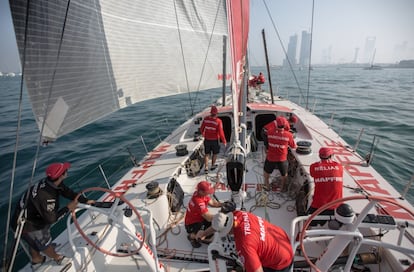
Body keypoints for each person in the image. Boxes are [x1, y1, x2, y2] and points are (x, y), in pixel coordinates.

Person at [11, 162, 95, 268]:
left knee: (34, 241)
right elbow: (52, 219)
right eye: (65, 170)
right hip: (27, 224)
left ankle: (36, 259)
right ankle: (57, 257)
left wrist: (85, 200)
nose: (67, 170)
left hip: (30, 216)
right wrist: (68, 208)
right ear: (61, 175)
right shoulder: (47, 197)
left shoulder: (50, 183)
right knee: (42, 242)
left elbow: (67, 192)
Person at [197, 210, 293, 272]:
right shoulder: (239, 214)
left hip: (280, 263)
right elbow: (220, 222)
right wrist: (204, 233)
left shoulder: (244, 245)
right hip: (284, 242)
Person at [308, 147, 343, 225]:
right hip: (336, 205)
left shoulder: (313, 166)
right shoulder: (339, 166)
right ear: (331, 156)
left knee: (308, 222)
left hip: (319, 204)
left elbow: (313, 175)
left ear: (319, 156)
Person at [263, 116, 296, 191]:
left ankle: (267, 186)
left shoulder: (269, 132)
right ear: (285, 125)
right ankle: (282, 188)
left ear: (276, 124)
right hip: (282, 158)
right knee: (284, 174)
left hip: (270, 157)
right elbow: (293, 146)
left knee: (266, 172)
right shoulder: (289, 135)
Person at [184, 181, 222, 248]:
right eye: (207, 192)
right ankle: (192, 236)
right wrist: (222, 217)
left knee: (215, 226)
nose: (208, 194)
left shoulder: (201, 194)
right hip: (192, 224)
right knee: (209, 233)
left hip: (200, 218)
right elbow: (208, 218)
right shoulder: (198, 202)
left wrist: (224, 204)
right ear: (201, 192)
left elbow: (212, 203)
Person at [200, 105, 227, 174]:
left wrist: (203, 134)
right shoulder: (218, 121)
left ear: (211, 113)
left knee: (207, 154)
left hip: (207, 139)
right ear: (216, 113)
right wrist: (224, 141)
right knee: (215, 153)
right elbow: (221, 132)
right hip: (214, 140)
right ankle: (212, 165)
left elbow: (202, 128)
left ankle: (206, 167)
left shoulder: (206, 119)